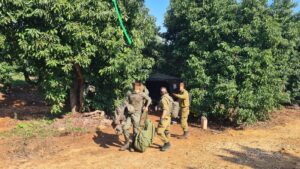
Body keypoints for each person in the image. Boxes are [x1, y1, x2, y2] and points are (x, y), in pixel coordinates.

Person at [120, 81, 152, 151]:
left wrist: (146, 106)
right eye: (134, 86)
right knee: (125, 128)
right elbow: (125, 101)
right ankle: (127, 143)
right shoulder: (129, 93)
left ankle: (134, 145)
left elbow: (149, 99)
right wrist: (127, 105)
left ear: (139, 87)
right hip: (129, 113)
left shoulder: (142, 94)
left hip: (137, 114)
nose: (135, 87)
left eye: (136, 86)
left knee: (135, 130)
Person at [157, 87, 172, 151]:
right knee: (167, 131)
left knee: (159, 131)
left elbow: (165, 110)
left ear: (161, 92)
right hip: (169, 117)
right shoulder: (169, 97)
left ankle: (167, 143)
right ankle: (168, 143)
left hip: (165, 117)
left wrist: (162, 118)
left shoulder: (163, 99)